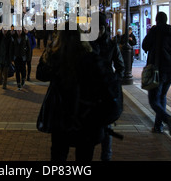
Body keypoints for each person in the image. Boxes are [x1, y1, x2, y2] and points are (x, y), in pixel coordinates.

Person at [36, 25, 116, 161]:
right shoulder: (91, 57)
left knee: (58, 155)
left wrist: (48, 50)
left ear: (60, 38)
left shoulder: (57, 58)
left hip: (61, 117)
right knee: (84, 157)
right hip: (87, 117)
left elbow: (41, 74)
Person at [142, 12, 171, 136]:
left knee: (153, 100)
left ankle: (166, 119)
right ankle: (158, 126)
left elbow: (144, 45)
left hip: (157, 70)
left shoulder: (155, 31)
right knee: (162, 97)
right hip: (170, 71)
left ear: (156, 20)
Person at [90, 13, 124, 161]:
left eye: (98, 28)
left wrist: (113, 80)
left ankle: (106, 156)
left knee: (107, 127)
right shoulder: (88, 44)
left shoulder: (111, 45)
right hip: (91, 90)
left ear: (104, 28)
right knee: (90, 128)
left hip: (107, 91)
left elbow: (121, 67)